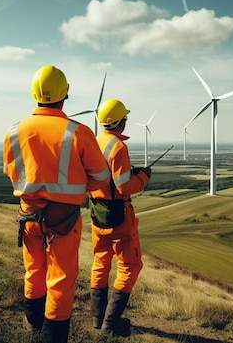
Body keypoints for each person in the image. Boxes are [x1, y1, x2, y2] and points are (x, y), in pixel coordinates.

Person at [3, 65, 110, 343]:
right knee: (61, 278)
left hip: (28, 216)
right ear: (66, 94)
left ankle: (32, 322)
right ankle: (53, 336)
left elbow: (10, 171)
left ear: (34, 94)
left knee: (34, 269)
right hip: (64, 219)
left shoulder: (14, 131)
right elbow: (101, 176)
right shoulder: (78, 131)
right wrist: (75, 190)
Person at [88, 98, 151, 336]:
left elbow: (105, 178)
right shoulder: (118, 147)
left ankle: (97, 319)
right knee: (129, 266)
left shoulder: (96, 142)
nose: (126, 121)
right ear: (119, 122)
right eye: (124, 118)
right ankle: (110, 325)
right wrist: (143, 177)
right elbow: (124, 187)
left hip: (97, 213)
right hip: (119, 218)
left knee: (100, 263)